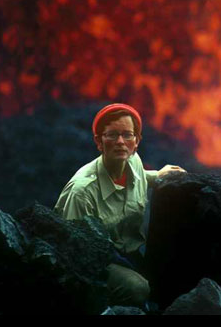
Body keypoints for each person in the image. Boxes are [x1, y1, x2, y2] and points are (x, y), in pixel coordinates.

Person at [54, 103, 186, 308]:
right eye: (112, 135)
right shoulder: (82, 192)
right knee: (137, 288)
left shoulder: (134, 163)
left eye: (127, 135)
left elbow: (137, 179)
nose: (120, 142)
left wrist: (158, 176)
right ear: (99, 142)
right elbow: (74, 251)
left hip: (130, 253)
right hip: (97, 260)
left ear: (137, 141)